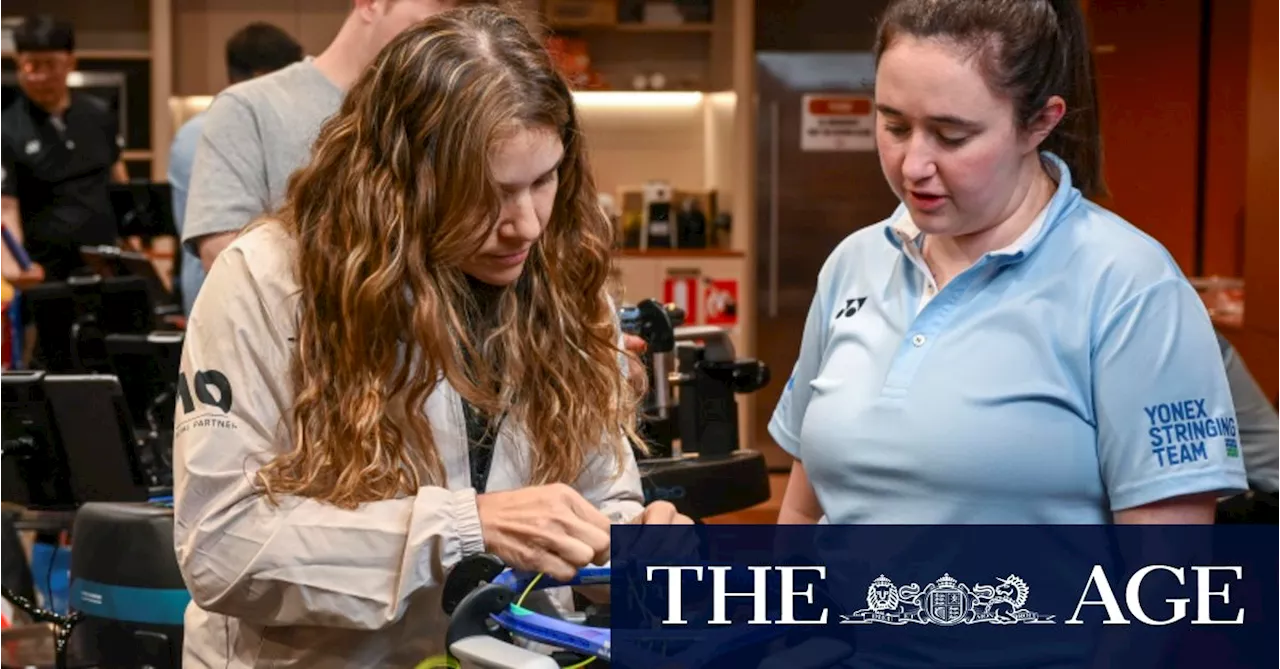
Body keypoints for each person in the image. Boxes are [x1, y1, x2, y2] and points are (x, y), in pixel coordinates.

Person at [171, 7, 690, 668]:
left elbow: (597, 493)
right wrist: (465, 527)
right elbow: (221, 548)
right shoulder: (269, 281)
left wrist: (630, 542)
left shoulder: (561, 276)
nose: (527, 224)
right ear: (402, 181)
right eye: (492, 193)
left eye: (544, 179)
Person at [772, 0, 1248, 528]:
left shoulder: (1131, 285)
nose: (913, 165)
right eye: (895, 126)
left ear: (1040, 122)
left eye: (952, 135)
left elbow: (1165, 577)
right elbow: (800, 507)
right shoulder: (853, 264)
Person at [168, 22, 304, 315]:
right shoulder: (220, 129)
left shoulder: (191, 132)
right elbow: (225, 248)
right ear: (263, 78)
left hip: (210, 300)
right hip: (232, 306)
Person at [0, 15, 128, 282]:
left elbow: (117, 176)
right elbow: (6, 207)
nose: (42, 76)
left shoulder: (99, 115)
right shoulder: (7, 127)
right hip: (45, 271)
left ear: (71, 62)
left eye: (51, 64)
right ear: (18, 64)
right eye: (32, 65)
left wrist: (134, 240)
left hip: (104, 266)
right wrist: (15, 266)